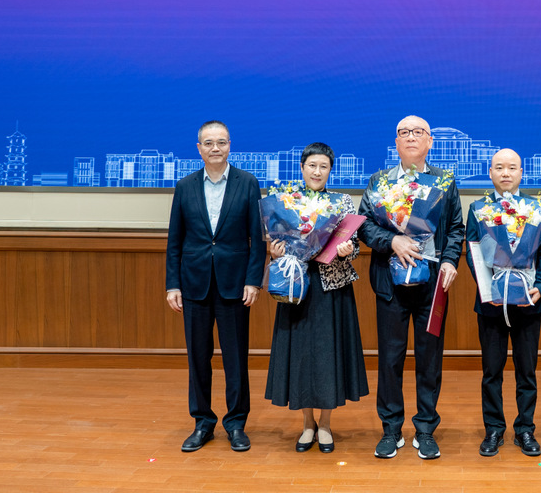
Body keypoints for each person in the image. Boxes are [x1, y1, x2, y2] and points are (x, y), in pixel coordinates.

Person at [358, 115, 464, 460]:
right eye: (403, 133)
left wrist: (450, 260)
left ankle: (425, 429)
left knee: (429, 358)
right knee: (390, 358)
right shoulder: (379, 181)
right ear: (396, 142)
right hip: (390, 282)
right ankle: (391, 429)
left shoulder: (445, 181)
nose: (411, 137)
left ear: (430, 141)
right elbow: (365, 227)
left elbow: (456, 229)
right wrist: (393, 241)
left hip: (432, 284)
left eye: (418, 132)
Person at [165, 120, 265, 453]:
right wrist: (172, 285)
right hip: (193, 284)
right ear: (199, 149)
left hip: (235, 285)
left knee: (236, 358)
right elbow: (175, 241)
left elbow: (257, 238)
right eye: (208, 143)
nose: (215, 148)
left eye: (221, 142)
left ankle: (236, 423)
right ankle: (202, 422)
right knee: (198, 358)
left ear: (229, 146)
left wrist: (253, 280)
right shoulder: (185, 186)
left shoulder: (247, 183)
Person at [264, 142, 369, 453]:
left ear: (330, 171)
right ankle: (307, 423)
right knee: (301, 355)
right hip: (296, 286)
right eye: (312, 165)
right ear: (302, 168)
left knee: (327, 354)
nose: (317, 171)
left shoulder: (342, 202)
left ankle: (325, 424)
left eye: (323, 167)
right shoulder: (286, 201)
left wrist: (348, 250)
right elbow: (277, 240)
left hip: (331, 287)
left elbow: (355, 245)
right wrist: (275, 251)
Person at [465, 148, 541, 458]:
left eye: (512, 167)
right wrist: (487, 288)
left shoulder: (538, 209)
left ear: (521, 173)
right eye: (499, 167)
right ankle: (493, 428)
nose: (506, 173)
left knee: (526, 370)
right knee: (492, 370)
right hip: (491, 302)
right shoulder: (478, 209)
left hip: (528, 301)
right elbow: (473, 252)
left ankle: (525, 428)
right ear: (490, 172)